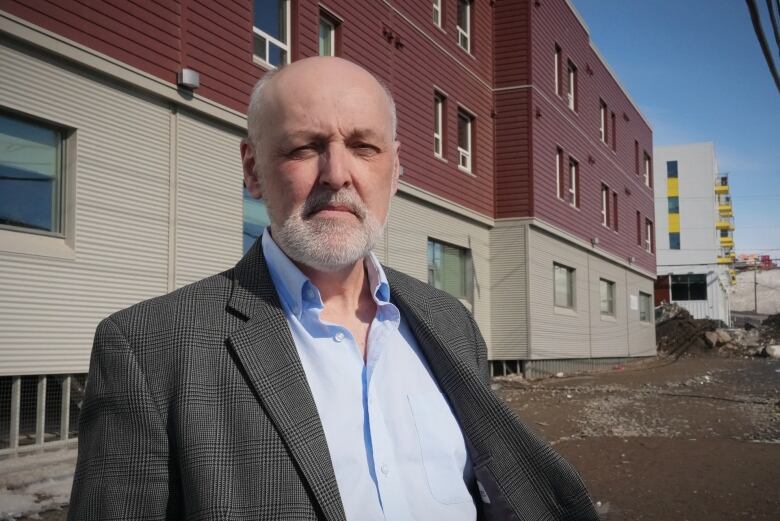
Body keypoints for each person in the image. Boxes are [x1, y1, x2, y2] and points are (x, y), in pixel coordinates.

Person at [68, 57, 598, 521]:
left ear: (394, 172)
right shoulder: (149, 346)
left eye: (364, 147)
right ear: (252, 170)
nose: (337, 174)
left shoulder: (450, 324)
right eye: (305, 147)